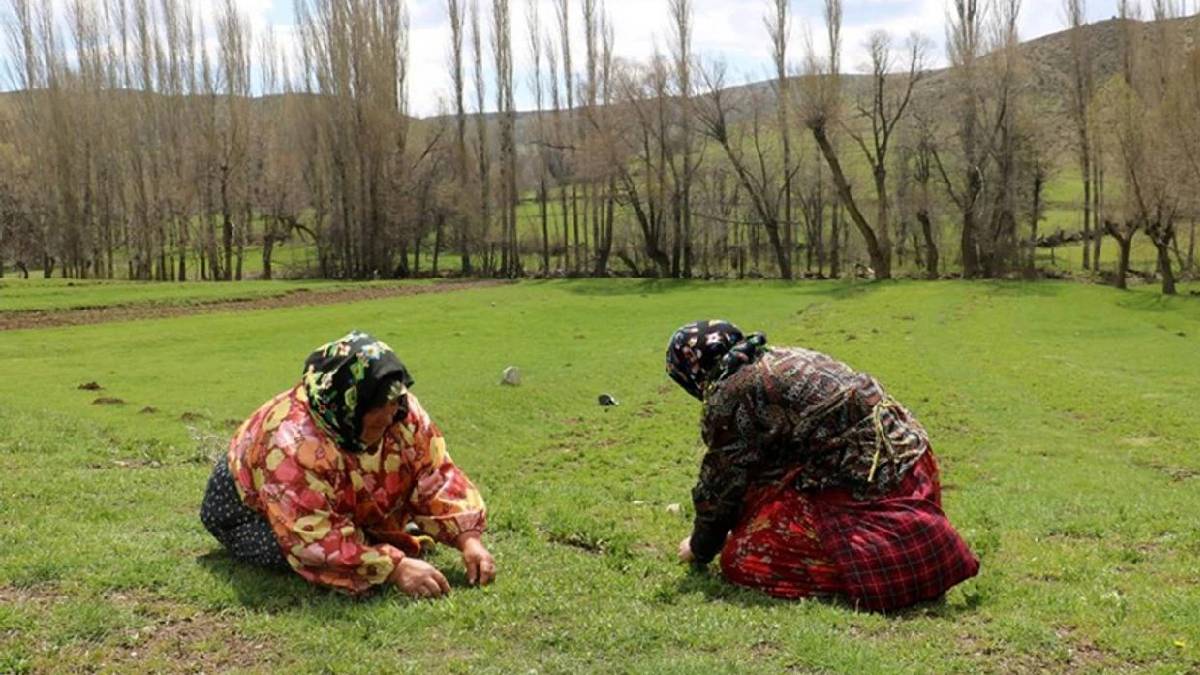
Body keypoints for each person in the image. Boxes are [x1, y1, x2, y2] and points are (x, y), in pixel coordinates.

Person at [666, 320, 978, 611]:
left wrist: (699, 547)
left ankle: (880, 568)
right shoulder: (780, 355)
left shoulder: (728, 393)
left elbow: (721, 485)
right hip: (915, 464)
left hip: (870, 489)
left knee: (742, 557)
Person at [201, 331, 494, 599]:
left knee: (372, 526)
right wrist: (394, 568)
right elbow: (310, 537)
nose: (390, 414)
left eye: (395, 402)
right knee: (284, 552)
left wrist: (468, 539)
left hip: (327, 495)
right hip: (247, 508)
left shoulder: (399, 410)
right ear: (348, 404)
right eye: (378, 407)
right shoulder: (293, 442)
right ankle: (364, 541)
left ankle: (365, 534)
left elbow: (433, 474)